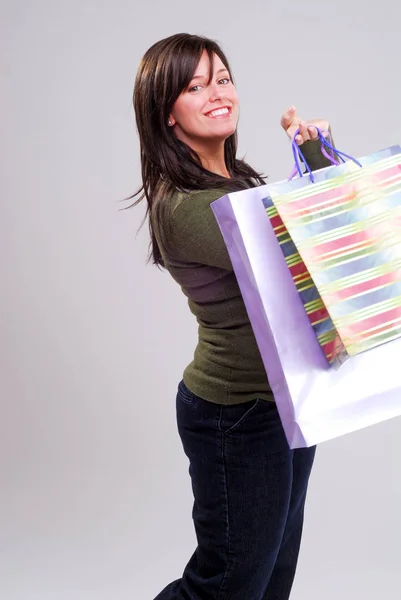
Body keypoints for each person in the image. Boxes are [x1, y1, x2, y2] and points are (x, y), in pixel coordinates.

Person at [132, 33, 335, 600]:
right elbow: (307, 257)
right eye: (194, 86)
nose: (216, 92)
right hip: (236, 413)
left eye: (222, 78)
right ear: (167, 114)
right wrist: (318, 166)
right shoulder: (188, 207)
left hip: (285, 401)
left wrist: (314, 154)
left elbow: (304, 241)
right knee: (226, 586)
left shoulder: (236, 181)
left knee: (272, 578)